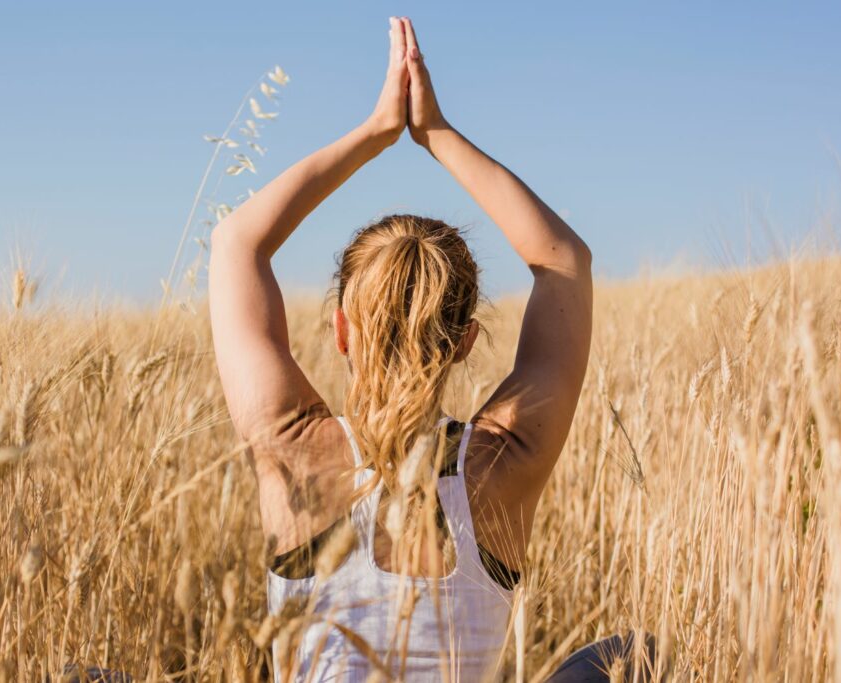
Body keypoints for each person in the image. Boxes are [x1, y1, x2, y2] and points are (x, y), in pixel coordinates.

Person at [209, 15, 650, 683]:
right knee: (631, 653)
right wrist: (436, 133)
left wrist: (376, 133)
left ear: (341, 331)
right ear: (467, 341)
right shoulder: (506, 460)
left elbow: (237, 243)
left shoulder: (292, 446)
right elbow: (564, 259)